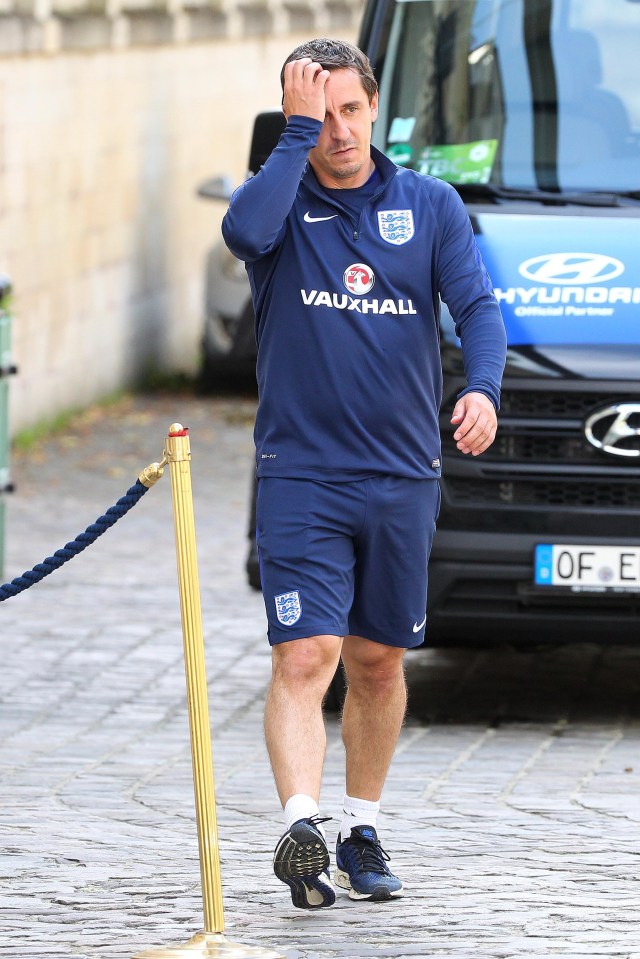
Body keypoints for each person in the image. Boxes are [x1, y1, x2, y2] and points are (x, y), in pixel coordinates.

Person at [222, 37, 506, 909]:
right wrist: (291, 136)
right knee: (305, 653)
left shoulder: (429, 204)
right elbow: (242, 231)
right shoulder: (281, 205)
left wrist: (485, 391)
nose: (337, 131)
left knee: (379, 662)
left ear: (374, 108)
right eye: (319, 115)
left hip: (402, 474)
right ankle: (302, 824)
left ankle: (360, 827)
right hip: (302, 473)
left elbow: (478, 309)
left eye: (350, 111)